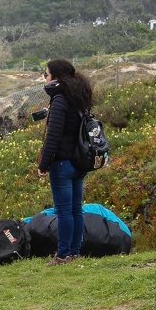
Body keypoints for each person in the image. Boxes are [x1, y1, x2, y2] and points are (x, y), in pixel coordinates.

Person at [37, 59, 92, 265]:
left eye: (46, 74)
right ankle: (74, 251)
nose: (45, 78)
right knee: (76, 208)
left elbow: (54, 137)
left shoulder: (60, 100)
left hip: (63, 163)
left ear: (56, 78)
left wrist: (44, 164)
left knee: (64, 211)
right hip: (79, 161)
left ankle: (62, 255)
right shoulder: (78, 97)